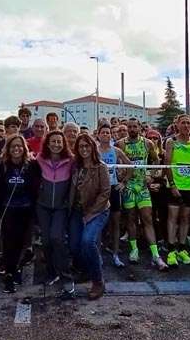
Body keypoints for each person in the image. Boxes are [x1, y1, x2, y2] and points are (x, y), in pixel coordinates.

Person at [116, 118, 167, 270]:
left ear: (139, 128)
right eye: (129, 127)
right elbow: (117, 163)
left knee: (147, 219)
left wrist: (151, 175)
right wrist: (121, 177)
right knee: (131, 218)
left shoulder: (148, 143)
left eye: (134, 126)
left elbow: (156, 160)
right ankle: (134, 249)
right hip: (129, 186)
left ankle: (155, 254)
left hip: (143, 186)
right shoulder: (121, 144)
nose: (132, 129)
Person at [69, 134, 111, 300]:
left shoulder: (101, 167)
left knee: (88, 241)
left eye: (87, 146)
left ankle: (98, 280)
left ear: (93, 147)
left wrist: (92, 213)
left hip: (98, 210)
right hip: (77, 210)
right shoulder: (75, 166)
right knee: (74, 244)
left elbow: (105, 192)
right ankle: (86, 271)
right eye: (81, 147)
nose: (84, 149)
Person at [35, 131, 75, 298]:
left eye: (59, 141)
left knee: (57, 238)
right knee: (45, 241)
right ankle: (51, 272)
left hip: (60, 207)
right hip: (42, 206)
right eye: (53, 141)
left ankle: (66, 276)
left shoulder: (71, 160)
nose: (56, 144)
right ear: (48, 143)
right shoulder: (39, 159)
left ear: (63, 143)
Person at [0, 134, 36, 293]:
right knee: (9, 243)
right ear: (8, 149)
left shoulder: (31, 165)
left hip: (26, 208)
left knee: (22, 243)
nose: (17, 149)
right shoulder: (3, 165)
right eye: (13, 146)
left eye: (19, 146)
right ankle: (9, 274)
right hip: (8, 208)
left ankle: (16, 268)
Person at [96, 124, 133, 267]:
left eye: (108, 133)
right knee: (99, 224)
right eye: (103, 132)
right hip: (100, 191)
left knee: (115, 223)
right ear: (98, 135)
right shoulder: (95, 151)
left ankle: (116, 254)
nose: (106, 135)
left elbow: (130, 166)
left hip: (114, 189)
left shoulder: (116, 151)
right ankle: (98, 254)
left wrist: (123, 182)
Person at [163, 115, 190, 267]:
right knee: (172, 217)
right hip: (175, 186)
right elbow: (167, 164)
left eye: (188, 123)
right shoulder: (172, 142)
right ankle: (171, 250)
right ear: (177, 125)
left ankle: (182, 248)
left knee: (185, 218)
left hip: (189, 187)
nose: (186, 125)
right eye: (183, 123)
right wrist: (172, 184)